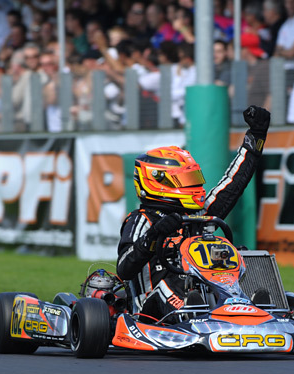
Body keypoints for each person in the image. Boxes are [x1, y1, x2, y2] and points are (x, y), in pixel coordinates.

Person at [116, 105, 271, 323]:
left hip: (200, 295)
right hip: (148, 309)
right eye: (187, 181)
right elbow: (124, 268)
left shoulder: (197, 217)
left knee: (237, 258)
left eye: (195, 179)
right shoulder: (141, 220)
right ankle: (194, 310)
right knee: (172, 285)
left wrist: (256, 138)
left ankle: (254, 307)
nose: (195, 186)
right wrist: (153, 237)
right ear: (159, 182)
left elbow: (233, 185)